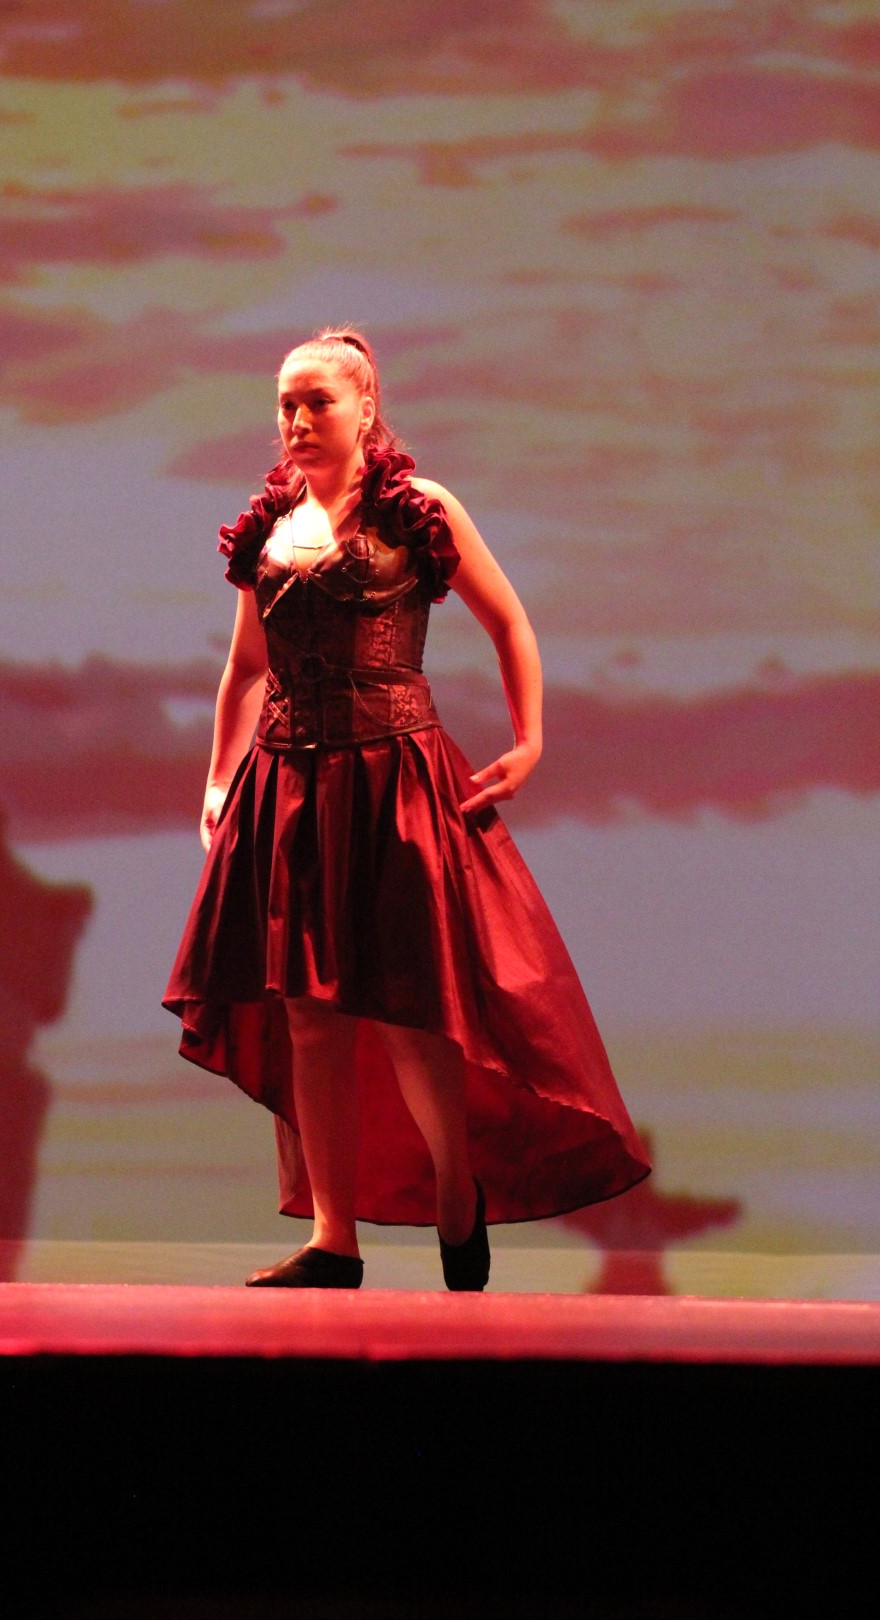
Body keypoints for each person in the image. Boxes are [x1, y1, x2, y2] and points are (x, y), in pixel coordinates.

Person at [164, 328, 649, 1290]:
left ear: (366, 408)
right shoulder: (270, 527)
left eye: (318, 402)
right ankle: (333, 1238)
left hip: (394, 782)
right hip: (290, 790)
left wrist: (531, 738)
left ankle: (455, 1191)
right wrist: (218, 780)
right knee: (308, 1017)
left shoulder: (417, 509)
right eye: (286, 405)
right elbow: (247, 668)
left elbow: (509, 620)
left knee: (408, 1010)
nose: (299, 421)